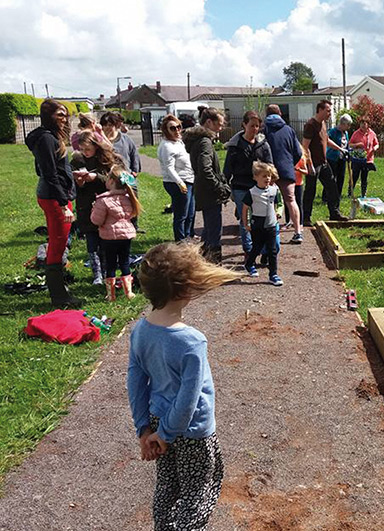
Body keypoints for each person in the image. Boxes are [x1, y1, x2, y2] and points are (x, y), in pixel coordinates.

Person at [127, 242, 239, 531]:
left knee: (167, 487)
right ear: (186, 290)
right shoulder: (191, 341)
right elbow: (189, 399)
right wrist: (166, 433)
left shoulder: (140, 330)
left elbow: (135, 381)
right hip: (192, 431)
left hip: (157, 422)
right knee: (199, 489)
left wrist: (145, 430)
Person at [26, 99, 83, 308]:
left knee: (57, 243)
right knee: (58, 245)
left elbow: (43, 169)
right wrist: (62, 203)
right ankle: (60, 298)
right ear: (48, 115)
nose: (64, 118)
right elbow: (48, 173)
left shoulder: (48, 137)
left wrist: (69, 175)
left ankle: (60, 292)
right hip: (54, 198)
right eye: (60, 114)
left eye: (65, 114)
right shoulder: (46, 139)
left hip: (54, 195)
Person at [70, 130, 121, 285]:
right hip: (86, 207)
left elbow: (113, 180)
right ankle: (97, 274)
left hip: (104, 206)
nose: (85, 153)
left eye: (88, 149)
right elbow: (71, 186)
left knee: (105, 241)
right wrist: (79, 183)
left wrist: (96, 177)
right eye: (82, 149)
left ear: (96, 147)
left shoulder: (105, 161)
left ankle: (108, 272)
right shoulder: (77, 161)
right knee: (91, 243)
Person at [183, 107, 231, 264]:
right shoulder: (205, 142)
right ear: (209, 122)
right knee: (214, 231)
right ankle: (214, 265)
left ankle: (201, 263)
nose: (221, 128)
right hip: (210, 193)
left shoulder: (200, 140)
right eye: (219, 124)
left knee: (209, 229)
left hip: (204, 191)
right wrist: (220, 187)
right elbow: (205, 170)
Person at [223, 111, 273, 254]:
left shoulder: (263, 145)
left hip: (259, 187)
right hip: (241, 187)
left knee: (262, 218)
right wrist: (225, 187)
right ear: (244, 125)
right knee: (246, 218)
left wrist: (270, 181)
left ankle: (263, 249)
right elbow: (228, 168)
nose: (255, 129)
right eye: (252, 126)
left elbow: (270, 165)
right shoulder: (235, 145)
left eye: (257, 126)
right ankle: (249, 249)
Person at [90, 167, 142, 301]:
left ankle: (111, 294)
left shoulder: (103, 200)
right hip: (126, 235)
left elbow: (97, 220)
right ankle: (128, 292)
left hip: (109, 237)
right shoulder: (128, 197)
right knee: (125, 262)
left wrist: (93, 209)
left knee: (111, 264)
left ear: (112, 181)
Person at [301, 100, 349, 226]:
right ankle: (306, 218)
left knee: (332, 187)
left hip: (323, 163)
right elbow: (305, 147)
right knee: (310, 190)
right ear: (320, 110)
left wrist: (341, 149)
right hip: (313, 164)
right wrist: (309, 164)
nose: (329, 113)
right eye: (328, 111)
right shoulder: (311, 125)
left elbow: (326, 140)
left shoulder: (323, 124)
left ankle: (334, 213)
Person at [264, 104, 304, 243]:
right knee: (291, 200)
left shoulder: (263, 129)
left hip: (268, 171)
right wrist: (289, 163)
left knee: (268, 202)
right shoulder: (289, 130)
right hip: (287, 170)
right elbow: (299, 152)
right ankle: (298, 232)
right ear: (280, 114)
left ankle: (270, 232)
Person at [241, 162, 283, 286]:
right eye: (264, 176)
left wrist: (278, 213)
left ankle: (273, 274)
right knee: (257, 247)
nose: (267, 178)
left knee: (272, 250)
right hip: (257, 224)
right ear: (256, 177)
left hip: (271, 224)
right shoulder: (252, 192)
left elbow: (279, 203)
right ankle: (249, 264)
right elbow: (245, 209)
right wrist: (246, 223)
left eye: (269, 176)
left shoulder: (274, 190)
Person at [100, 110, 142, 231]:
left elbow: (134, 154)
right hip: (109, 176)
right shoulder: (100, 141)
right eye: (105, 125)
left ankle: (133, 223)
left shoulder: (125, 139)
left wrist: (135, 170)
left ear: (115, 125)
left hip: (126, 174)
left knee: (132, 196)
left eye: (110, 125)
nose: (108, 128)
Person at [157, 114, 196, 242]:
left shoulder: (178, 141)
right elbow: (169, 168)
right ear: (166, 130)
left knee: (190, 213)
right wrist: (180, 183)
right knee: (181, 215)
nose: (177, 130)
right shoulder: (167, 146)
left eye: (178, 127)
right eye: (172, 128)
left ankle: (187, 237)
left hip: (189, 180)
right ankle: (180, 241)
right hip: (176, 182)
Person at [348, 116, 379, 198]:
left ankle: (363, 194)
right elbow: (350, 144)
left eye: (364, 123)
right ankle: (350, 192)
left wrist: (374, 148)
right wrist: (357, 145)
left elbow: (376, 144)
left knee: (364, 177)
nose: (362, 125)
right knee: (354, 176)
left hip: (367, 159)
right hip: (357, 159)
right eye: (361, 123)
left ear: (368, 125)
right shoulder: (356, 133)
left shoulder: (372, 134)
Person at [325, 113, 352, 200]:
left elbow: (346, 144)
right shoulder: (333, 132)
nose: (349, 127)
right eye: (348, 125)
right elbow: (327, 142)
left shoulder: (346, 133)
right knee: (331, 178)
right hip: (332, 158)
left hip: (342, 158)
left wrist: (348, 152)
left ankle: (337, 196)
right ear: (343, 124)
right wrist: (339, 149)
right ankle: (326, 197)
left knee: (341, 177)